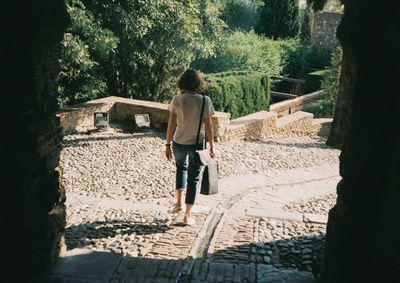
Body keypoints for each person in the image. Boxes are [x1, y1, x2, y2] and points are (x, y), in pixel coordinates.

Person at [165, 69, 216, 225]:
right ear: (198, 83)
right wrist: (212, 146)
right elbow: (209, 127)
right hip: (197, 143)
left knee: (181, 169)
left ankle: (179, 203)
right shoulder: (205, 100)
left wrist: (167, 144)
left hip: (178, 141)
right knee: (193, 179)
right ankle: (187, 215)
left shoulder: (177, 100)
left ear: (183, 83)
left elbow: (171, 124)